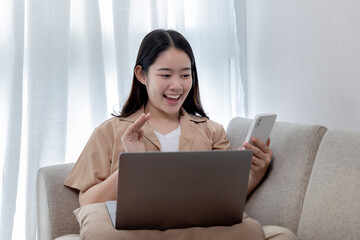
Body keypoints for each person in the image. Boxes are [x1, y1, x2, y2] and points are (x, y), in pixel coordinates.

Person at [64, 29, 296, 240]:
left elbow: (222, 201)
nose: (177, 85)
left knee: (267, 232)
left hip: (197, 227)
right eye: (165, 75)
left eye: (185, 75)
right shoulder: (110, 132)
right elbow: (88, 202)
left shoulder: (212, 131)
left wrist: (254, 174)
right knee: (101, 232)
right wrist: (132, 165)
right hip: (135, 230)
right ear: (141, 75)